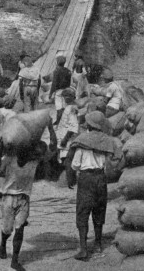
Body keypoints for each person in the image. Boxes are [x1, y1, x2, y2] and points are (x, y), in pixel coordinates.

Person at [70, 111, 121, 260]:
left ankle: (84, 249)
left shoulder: (82, 141)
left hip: (86, 179)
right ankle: (98, 244)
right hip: (100, 178)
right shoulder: (107, 141)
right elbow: (113, 159)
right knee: (99, 211)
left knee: (83, 212)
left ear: (89, 125)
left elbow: (75, 165)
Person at [0, 139, 49, 271]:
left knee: (19, 229)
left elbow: (46, 151)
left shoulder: (34, 162)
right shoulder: (10, 159)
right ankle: (3, 244)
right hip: (8, 197)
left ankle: (15, 260)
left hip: (24, 198)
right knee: (7, 229)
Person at [49, 55, 71, 126]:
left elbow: (54, 83)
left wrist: (51, 93)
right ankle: (64, 121)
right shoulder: (68, 71)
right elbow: (69, 83)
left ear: (57, 62)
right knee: (64, 106)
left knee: (59, 108)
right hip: (65, 90)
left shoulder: (56, 71)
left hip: (58, 91)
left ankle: (58, 122)